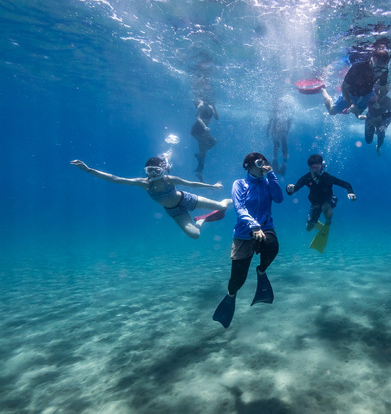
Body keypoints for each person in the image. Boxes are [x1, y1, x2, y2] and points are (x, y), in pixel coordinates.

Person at [70, 157, 232, 239]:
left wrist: (213, 186)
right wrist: (89, 169)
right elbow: (115, 178)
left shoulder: (169, 179)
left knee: (222, 207)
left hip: (187, 199)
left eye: (156, 170)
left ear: (162, 170)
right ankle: (201, 219)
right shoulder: (144, 184)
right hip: (174, 211)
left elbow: (192, 184)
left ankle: (231, 200)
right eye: (149, 171)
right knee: (195, 235)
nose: (152, 174)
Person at [212, 153, 284, 328]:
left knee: (272, 245)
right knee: (238, 279)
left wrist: (272, 174)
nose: (262, 167)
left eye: (264, 163)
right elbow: (239, 207)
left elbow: (279, 198)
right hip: (245, 232)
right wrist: (253, 225)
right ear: (248, 166)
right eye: (259, 163)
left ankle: (261, 271)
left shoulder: (268, 182)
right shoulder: (240, 184)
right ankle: (231, 295)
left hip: (265, 227)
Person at [286, 154, 356, 252]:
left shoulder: (328, 177)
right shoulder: (306, 178)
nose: (314, 170)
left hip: (330, 199)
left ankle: (327, 223)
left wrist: (351, 192)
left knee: (325, 207)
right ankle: (315, 222)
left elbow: (346, 184)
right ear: (308, 167)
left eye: (317, 167)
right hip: (315, 203)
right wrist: (289, 188)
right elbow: (292, 191)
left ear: (321, 166)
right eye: (311, 168)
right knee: (309, 228)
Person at [320, 49, 391, 118]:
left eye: (383, 69)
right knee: (332, 111)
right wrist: (350, 104)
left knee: (358, 113)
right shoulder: (358, 68)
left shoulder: (383, 70)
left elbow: (383, 88)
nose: (379, 72)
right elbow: (344, 87)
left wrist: (378, 101)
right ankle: (322, 89)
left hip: (368, 94)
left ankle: (349, 110)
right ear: (372, 60)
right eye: (377, 68)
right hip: (351, 94)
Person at [358, 89, 391, 155]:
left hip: (382, 121)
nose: (382, 96)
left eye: (385, 93)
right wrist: (359, 116)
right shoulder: (370, 98)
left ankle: (378, 147)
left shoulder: (388, 100)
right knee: (368, 141)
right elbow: (359, 111)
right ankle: (375, 131)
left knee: (381, 139)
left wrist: (385, 125)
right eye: (380, 95)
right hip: (369, 119)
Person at [191, 99, 219, 182]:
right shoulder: (201, 106)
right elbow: (198, 118)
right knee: (203, 152)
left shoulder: (211, 107)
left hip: (204, 131)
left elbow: (217, 118)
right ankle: (199, 173)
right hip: (198, 130)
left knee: (213, 142)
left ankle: (200, 158)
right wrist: (204, 127)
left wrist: (214, 106)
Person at [266, 102, 292, 175]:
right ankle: (281, 162)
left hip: (278, 131)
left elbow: (270, 121)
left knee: (279, 145)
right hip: (277, 131)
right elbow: (288, 122)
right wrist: (267, 130)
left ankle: (277, 160)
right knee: (281, 145)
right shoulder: (282, 112)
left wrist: (267, 130)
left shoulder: (279, 112)